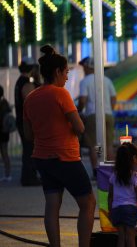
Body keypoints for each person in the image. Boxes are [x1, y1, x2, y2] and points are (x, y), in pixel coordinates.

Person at [23, 45, 96, 247]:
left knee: (52, 205)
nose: (66, 77)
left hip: (42, 158)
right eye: (66, 72)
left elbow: (28, 134)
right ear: (57, 72)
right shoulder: (60, 94)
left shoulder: (30, 98)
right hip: (65, 157)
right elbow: (80, 127)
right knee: (88, 202)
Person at [78, 57, 117, 178]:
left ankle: (97, 170)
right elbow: (113, 98)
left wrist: (79, 110)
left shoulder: (85, 81)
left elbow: (83, 100)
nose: (83, 68)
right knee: (109, 144)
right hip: (109, 115)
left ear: (89, 66)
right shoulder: (107, 80)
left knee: (95, 144)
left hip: (93, 115)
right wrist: (109, 109)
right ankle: (111, 170)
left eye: (83, 66)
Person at [108, 142, 137, 247]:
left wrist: (110, 211)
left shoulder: (114, 176)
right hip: (130, 209)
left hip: (117, 209)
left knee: (121, 237)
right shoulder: (136, 176)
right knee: (130, 237)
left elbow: (110, 196)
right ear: (134, 158)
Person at [15, 56, 40, 186]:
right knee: (30, 149)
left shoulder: (20, 81)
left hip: (22, 121)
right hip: (27, 122)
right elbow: (30, 103)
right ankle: (29, 177)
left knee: (28, 149)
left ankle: (28, 177)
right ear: (31, 68)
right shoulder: (26, 83)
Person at [0, 86, 12, 181]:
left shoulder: (2, 104)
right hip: (5, 131)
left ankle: (7, 174)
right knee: (5, 152)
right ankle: (7, 174)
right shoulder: (5, 103)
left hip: (2, 131)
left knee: (4, 152)